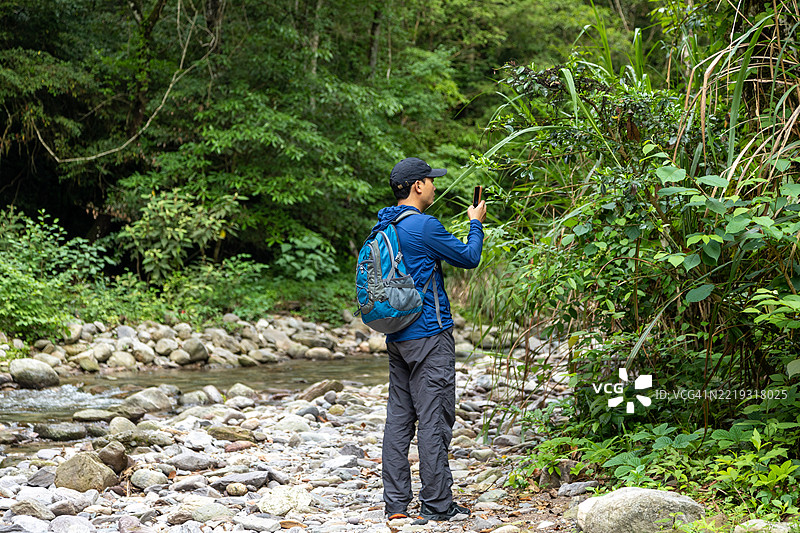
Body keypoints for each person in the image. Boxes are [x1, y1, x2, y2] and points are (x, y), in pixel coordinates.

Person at [374, 157, 486, 522]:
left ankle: (395, 505)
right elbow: (469, 257)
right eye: (430, 180)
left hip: (396, 335)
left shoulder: (384, 225)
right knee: (434, 419)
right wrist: (475, 223)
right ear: (417, 186)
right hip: (430, 337)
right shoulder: (424, 225)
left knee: (398, 420)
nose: (435, 185)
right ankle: (437, 504)